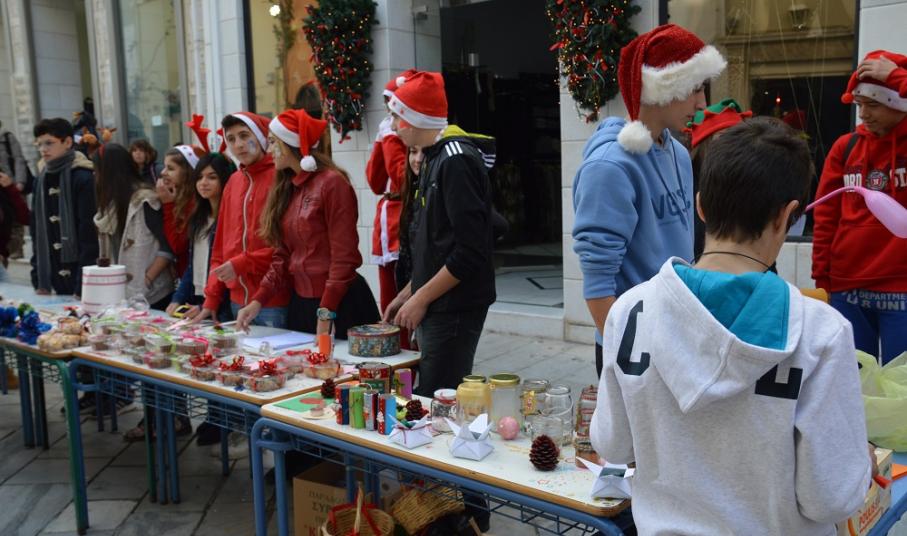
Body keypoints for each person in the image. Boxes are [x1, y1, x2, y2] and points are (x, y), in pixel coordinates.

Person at [592, 117, 873, 535]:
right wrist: (858, 462)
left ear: (701, 207)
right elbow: (829, 498)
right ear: (787, 216)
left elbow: (613, 445)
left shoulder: (630, 311)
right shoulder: (820, 332)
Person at [571, 24, 725, 376]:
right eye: (695, 88)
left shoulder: (678, 154)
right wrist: (629, 356)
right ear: (663, 87)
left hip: (678, 337)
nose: (702, 103)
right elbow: (597, 286)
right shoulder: (609, 167)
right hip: (633, 350)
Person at [381, 71, 496, 396]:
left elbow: (470, 251)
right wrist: (407, 292)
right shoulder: (434, 157)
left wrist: (420, 298)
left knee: (438, 396)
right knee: (432, 392)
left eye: (397, 118)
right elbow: (435, 245)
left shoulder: (455, 160)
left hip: (454, 306)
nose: (393, 127)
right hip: (440, 303)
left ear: (414, 118)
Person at [236, 109, 379, 335]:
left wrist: (326, 312)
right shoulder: (287, 187)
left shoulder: (332, 183)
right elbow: (282, 257)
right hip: (302, 305)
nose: (269, 150)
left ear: (289, 143)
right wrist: (257, 300)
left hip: (340, 303)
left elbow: (344, 257)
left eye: (273, 142)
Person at [812, 50, 907, 364]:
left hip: (901, 286)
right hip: (847, 287)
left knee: (901, 385)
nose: (863, 114)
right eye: (859, 104)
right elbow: (826, 216)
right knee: (850, 382)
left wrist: (896, 77)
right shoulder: (846, 146)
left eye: (874, 104)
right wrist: (823, 278)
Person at [195, 112, 289, 327]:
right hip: (236, 301)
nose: (238, 145)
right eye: (231, 139)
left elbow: (287, 246)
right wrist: (211, 299)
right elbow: (219, 249)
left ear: (261, 137)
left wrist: (242, 263)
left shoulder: (281, 177)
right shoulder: (233, 182)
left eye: (244, 136)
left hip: (273, 300)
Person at [92, 143, 175, 310]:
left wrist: (147, 280)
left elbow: (167, 246)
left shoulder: (145, 200)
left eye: (98, 169)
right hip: (121, 294)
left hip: (153, 295)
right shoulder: (109, 204)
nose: (95, 175)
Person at [31, 118, 99, 296]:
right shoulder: (41, 179)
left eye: (49, 143)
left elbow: (89, 235)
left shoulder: (83, 176)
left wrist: (82, 286)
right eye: (39, 144)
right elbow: (36, 232)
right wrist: (38, 279)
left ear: (68, 142)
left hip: (81, 278)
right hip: (52, 278)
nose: (43, 149)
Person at [366, 71, 414, 320]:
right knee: (387, 300)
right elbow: (375, 182)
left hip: (403, 217)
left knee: (402, 301)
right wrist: (381, 141)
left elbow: (401, 178)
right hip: (385, 221)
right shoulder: (389, 133)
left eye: (393, 109)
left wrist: (391, 139)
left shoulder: (411, 138)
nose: (389, 116)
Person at [167, 152, 233, 318]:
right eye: (199, 177)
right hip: (197, 297)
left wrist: (206, 305)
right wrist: (177, 298)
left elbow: (226, 272)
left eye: (212, 177)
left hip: (222, 306)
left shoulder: (231, 219)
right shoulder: (198, 217)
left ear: (225, 179)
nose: (203, 183)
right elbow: (193, 266)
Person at [685, 98, 752, 258]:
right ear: (705, 143)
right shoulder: (686, 183)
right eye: (724, 137)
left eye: (738, 137)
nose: (733, 145)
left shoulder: (749, 182)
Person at [158, 145, 200, 276]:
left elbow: (177, 245)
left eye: (170, 168)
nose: (163, 172)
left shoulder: (194, 202)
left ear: (187, 172)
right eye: (165, 167)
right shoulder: (179, 194)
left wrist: (168, 204)